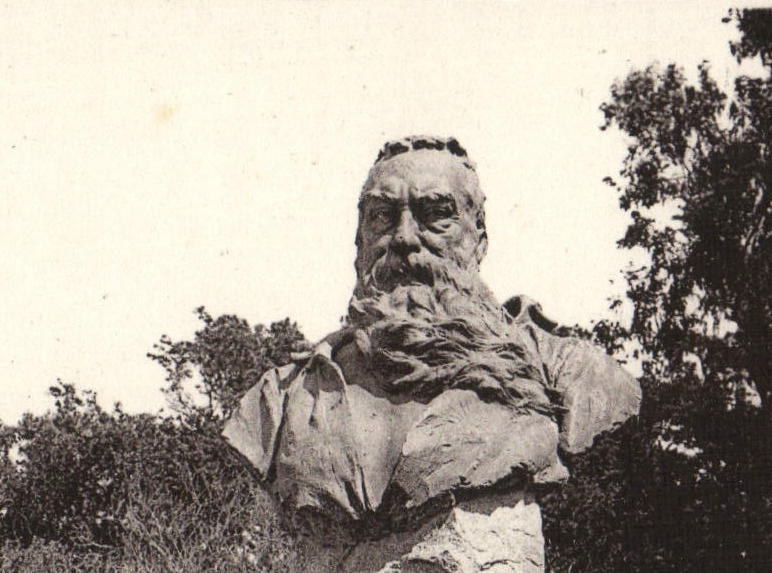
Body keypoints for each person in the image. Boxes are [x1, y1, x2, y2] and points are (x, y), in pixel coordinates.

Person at [225, 134, 640, 522]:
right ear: (359, 243)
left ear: (479, 240)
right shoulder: (281, 399)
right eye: (383, 217)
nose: (404, 238)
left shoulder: (574, 374)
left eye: (435, 216)